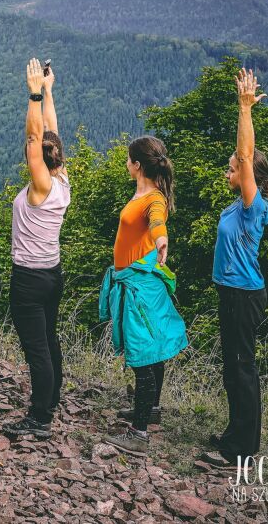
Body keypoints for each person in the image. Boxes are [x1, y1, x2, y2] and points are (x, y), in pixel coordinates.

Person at [202, 68, 268, 468]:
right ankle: (236, 434)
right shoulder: (237, 206)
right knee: (232, 368)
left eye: (232, 169)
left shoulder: (253, 207)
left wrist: (244, 109)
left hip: (244, 295)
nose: (228, 171)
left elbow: (246, 155)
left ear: (249, 177)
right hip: (231, 292)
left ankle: (242, 450)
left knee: (242, 368)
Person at [99, 135, 188, 456]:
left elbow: (157, 221)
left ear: (137, 165)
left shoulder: (154, 198)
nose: (126, 163)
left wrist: (161, 240)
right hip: (138, 283)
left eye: (128, 159)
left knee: (143, 358)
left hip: (140, 289)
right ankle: (151, 410)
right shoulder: (142, 193)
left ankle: (138, 434)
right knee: (154, 352)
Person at [0, 59, 71, 439]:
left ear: (42, 160)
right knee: (50, 338)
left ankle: (40, 417)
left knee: (36, 348)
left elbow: (34, 138)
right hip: (52, 274)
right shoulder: (61, 180)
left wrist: (34, 94)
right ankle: (52, 398)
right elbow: (50, 133)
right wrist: (49, 91)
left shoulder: (42, 186)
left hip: (28, 277)